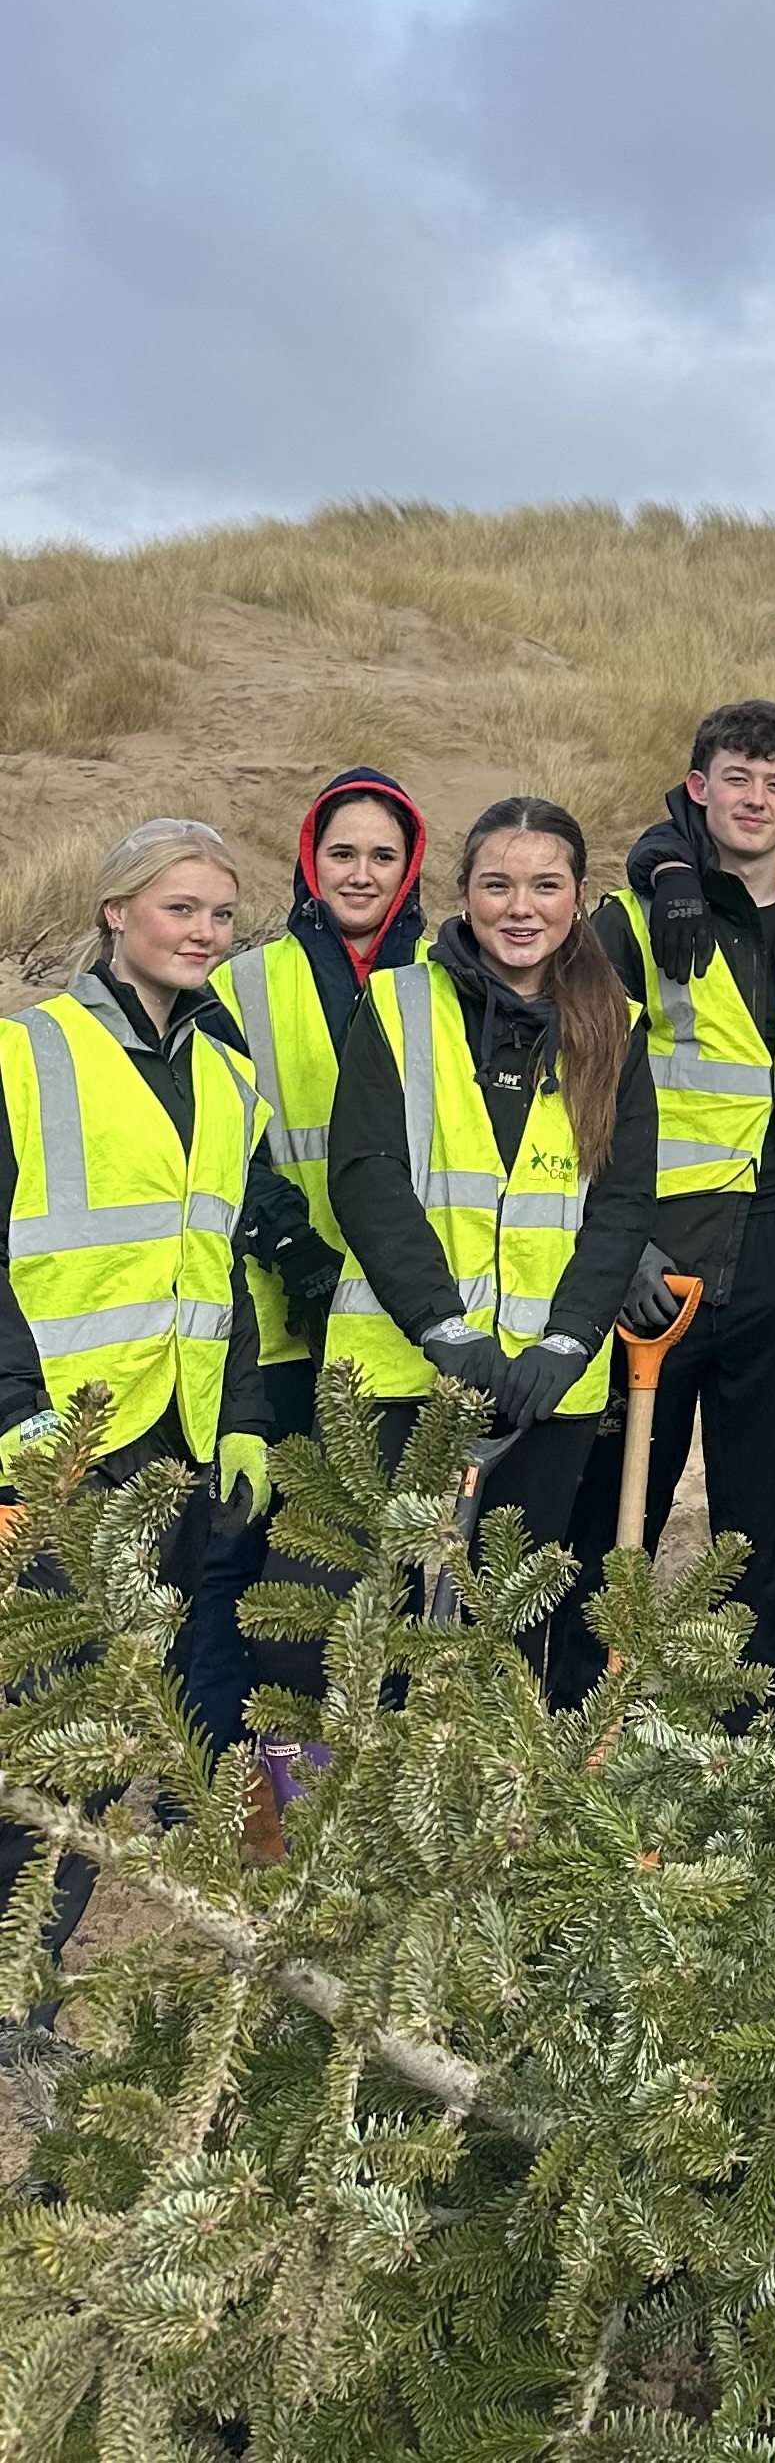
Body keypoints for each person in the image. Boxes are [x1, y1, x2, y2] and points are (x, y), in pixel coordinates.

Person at [0, 820, 273, 2022]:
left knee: (126, 1708)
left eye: (221, 914)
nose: (205, 933)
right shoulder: (26, 1052)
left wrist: (249, 1416)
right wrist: (10, 1412)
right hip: (55, 1442)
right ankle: (17, 1990)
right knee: (46, 1716)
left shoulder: (227, 1070)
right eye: (180, 909)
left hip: (178, 1439)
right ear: (115, 912)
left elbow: (217, 1265)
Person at [558, 701, 775, 1730]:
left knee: (759, 1516)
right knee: (612, 1500)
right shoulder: (630, 922)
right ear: (697, 788)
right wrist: (616, 1236)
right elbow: (574, 1084)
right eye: (735, 777)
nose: (754, 797)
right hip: (657, 1253)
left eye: (774, 782)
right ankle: (580, 1703)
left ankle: (748, 1716)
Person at [326, 800, 654, 1588]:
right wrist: (442, 1327)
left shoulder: (615, 1025)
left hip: (546, 1386)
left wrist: (570, 1341)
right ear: (464, 893)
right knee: (368, 1620)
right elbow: (367, 1177)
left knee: (501, 1616)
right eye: (497, 884)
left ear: (578, 898)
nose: (520, 909)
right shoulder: (401, 1005)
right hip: (400, 1374)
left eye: (546, 886)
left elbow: (621, 1202)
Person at [190, 770, 430, 1748]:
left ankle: (385, 1745)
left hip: (411, 1315)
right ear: (308, 859)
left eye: (381, 854)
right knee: (253, 1544)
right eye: (342, 852)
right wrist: (290, 1239)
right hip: (284, 1312)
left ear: (410, 863)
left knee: (397, 1542)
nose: (361, 872)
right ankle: (222, 1755)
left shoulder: (449, 976)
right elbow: (218, 1130)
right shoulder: (243, 981)